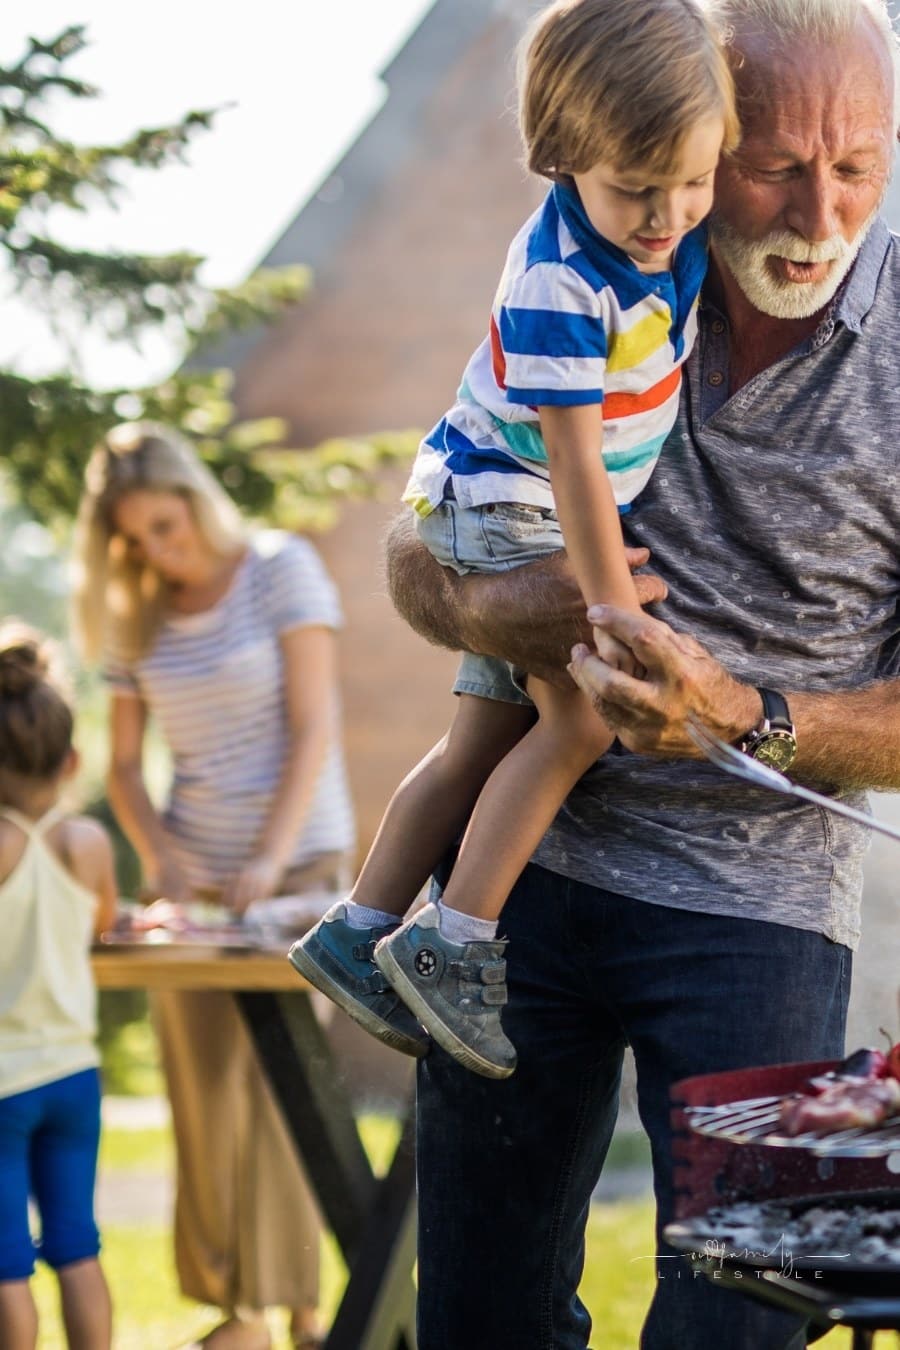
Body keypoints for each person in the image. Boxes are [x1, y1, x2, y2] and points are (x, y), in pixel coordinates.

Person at [382, 0, 900, 1345]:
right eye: (779, 164)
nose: (819, 212)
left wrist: (745, 712)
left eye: (859, 165)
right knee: (477, 1322)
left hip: (775, 913)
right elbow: (413, 554)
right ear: (703, 140)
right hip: (522, 890)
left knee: (753, 1316)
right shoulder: (587, 266)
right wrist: (509, 607)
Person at [290, 0, 740, 1081]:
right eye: (637, 187)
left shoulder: (661, 230)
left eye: (696, 178)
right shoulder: (557, 281)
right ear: (562, 151)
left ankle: (360, 927)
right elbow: (576, 460)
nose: (669, 212)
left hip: (504, 497)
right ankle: (455, 939)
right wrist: (609, 607)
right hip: (505, 500)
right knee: (580, 716)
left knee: (483, 734)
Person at [72, 422, 356, 1350]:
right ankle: (233, 1310)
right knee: (203, 1093)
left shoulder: (283, 569)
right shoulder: (136, 609)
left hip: (295, 874)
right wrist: (160, 853)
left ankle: (305, 1313)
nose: (161, 549)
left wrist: (269, 859)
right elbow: (120, 765)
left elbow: (313, 727)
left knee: (283, 1092)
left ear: (193, 497)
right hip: (193, 893)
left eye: (167, 524)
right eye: (137, 538)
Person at [0, 621, 118, 1350]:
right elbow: (101, 923)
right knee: (77, 1242)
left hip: (4, 1081)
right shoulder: (88, 844)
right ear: (72, 760)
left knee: (7, 1260)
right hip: (74, 1072)